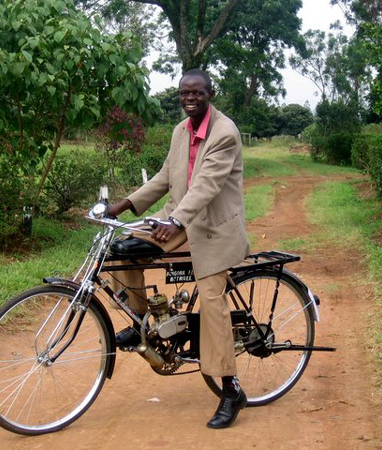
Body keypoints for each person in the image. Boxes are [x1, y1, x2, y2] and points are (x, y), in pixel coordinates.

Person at [107, 68, 250, 429]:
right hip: (178, 218)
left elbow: (206, 187)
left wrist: (176, 222)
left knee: (212, 299)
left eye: (197, 93)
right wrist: (123, 205)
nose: (190, 98)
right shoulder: (180, 131)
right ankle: (143, 323)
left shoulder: (225, 133)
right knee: (124, 250)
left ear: (210, 94)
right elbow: (164, 177)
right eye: (185, 93)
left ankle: (231, 389)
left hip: (212, 227)